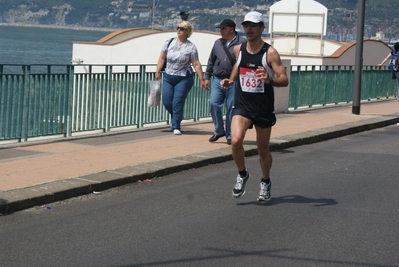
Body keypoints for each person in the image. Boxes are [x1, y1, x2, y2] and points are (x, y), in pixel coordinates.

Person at [221, 11, 289, 202]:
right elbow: (238, 65)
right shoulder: (239, 49)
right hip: (242, 104)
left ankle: (265, 181)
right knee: (235, 141)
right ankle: (242, 174)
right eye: (246, 25)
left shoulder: (270, 53)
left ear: (261, 28)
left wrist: (270, 80)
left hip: (262, 107)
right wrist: (231, 80)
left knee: (262, 149)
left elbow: (284, 79)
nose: (249, 29)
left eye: (253, 25)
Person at [155, 20, 207, 135]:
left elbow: (196, 63)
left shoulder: (191, 47)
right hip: (168, 76)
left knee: (177, 102)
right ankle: (178, 116)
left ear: (187, 32)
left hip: (184, 78)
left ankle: (176, 126)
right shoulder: (169, 42)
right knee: (167, 101)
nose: (179, 30)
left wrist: (201, 79)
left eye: (182, 29)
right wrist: (157, 71)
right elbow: (162, 58)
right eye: (178, 28)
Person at [204, 19, 246, 145]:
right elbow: (211, 60)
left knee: (231, 108)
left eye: (223, 29)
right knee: (213, 103)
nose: (220, 31)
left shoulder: (242, 42)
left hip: (234, 81)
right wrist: (207, 77)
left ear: (231, 29)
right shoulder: (218, 43)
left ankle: (229, 134)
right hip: (218, 79)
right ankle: (219, 130)